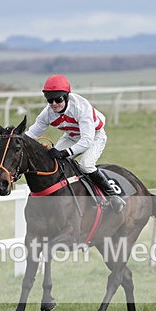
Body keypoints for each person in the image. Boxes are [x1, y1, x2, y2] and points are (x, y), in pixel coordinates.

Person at [25, 74, 125, 212]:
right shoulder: (47, 113)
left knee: (86, 165)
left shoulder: (81, 108)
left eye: (58, 99)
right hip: (71, 136)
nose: (53, 104)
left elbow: (86, 141)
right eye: (49, 100)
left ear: (66, 96)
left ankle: (113, 197)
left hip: (94, 136)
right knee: (53, 163)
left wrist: (64, 152)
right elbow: (31, 134)